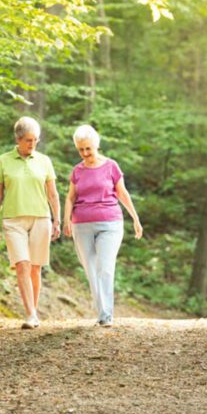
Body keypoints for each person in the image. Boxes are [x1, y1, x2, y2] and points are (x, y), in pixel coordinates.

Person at [63, 125, 142, 327]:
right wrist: (66, 220)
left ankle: (106, 315)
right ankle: (101, 310)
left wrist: (135, 218)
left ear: (96, 145)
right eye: (80, 149)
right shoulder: (77, 171)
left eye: (88, 148)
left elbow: (122, 193)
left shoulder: (111, 166)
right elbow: (71, 197)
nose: (85, 153)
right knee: (90, 270)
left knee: (105, 268)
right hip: (82, 225)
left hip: (110, 223)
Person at [0, 117, 61, 329]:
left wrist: (57, 220)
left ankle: (34, 313)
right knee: (22, 264)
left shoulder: (44, 161)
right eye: (28, 140)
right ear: (18, 139)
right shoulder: (3, 160)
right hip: (13, 220)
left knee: (35, 268)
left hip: (41, 218)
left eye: (36, 140)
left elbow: (53, 194)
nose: (32, 145)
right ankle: (30, 314)